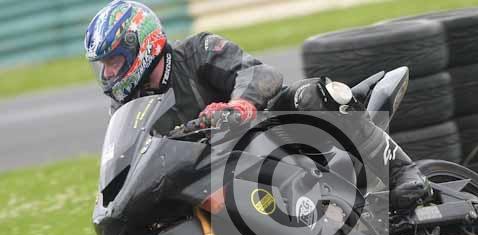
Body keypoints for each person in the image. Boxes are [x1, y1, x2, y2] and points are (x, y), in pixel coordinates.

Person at [84, 0, 429, 210]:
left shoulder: (197, 51)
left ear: (142, 45)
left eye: (114, 61)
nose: (109, 73)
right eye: (104, 65)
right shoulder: (126, 104)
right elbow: (130, 154)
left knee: (310, 95)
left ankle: (401, 171)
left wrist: (240, 104)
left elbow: (258, 72)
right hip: (213, 172)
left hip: (265, 135)